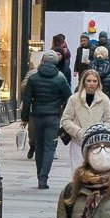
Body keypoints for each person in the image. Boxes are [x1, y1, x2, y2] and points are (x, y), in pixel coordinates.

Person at [22, 51, 73, 189]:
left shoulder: (33, 77)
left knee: (38, 146)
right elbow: (70, 97)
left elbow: (27, 99)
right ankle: (44, 177)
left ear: (42, 61)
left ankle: (40, 174)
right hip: (53, 116)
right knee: (50, 147)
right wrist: (62, 108)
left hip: (37, 116)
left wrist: (25, 117)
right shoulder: (60, 78)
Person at [60, 67, 110, 171]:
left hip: (98, 144)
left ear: (98, 83)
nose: (91, 83)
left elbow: (109, 121)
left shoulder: (104, 99)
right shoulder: (74, 99)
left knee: (96, 174)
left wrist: (99, 132)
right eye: (89, 81)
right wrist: (78, 132)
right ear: (84, 82)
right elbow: (65, 120)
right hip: (78, 143)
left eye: (94, 81)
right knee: (78, 173)